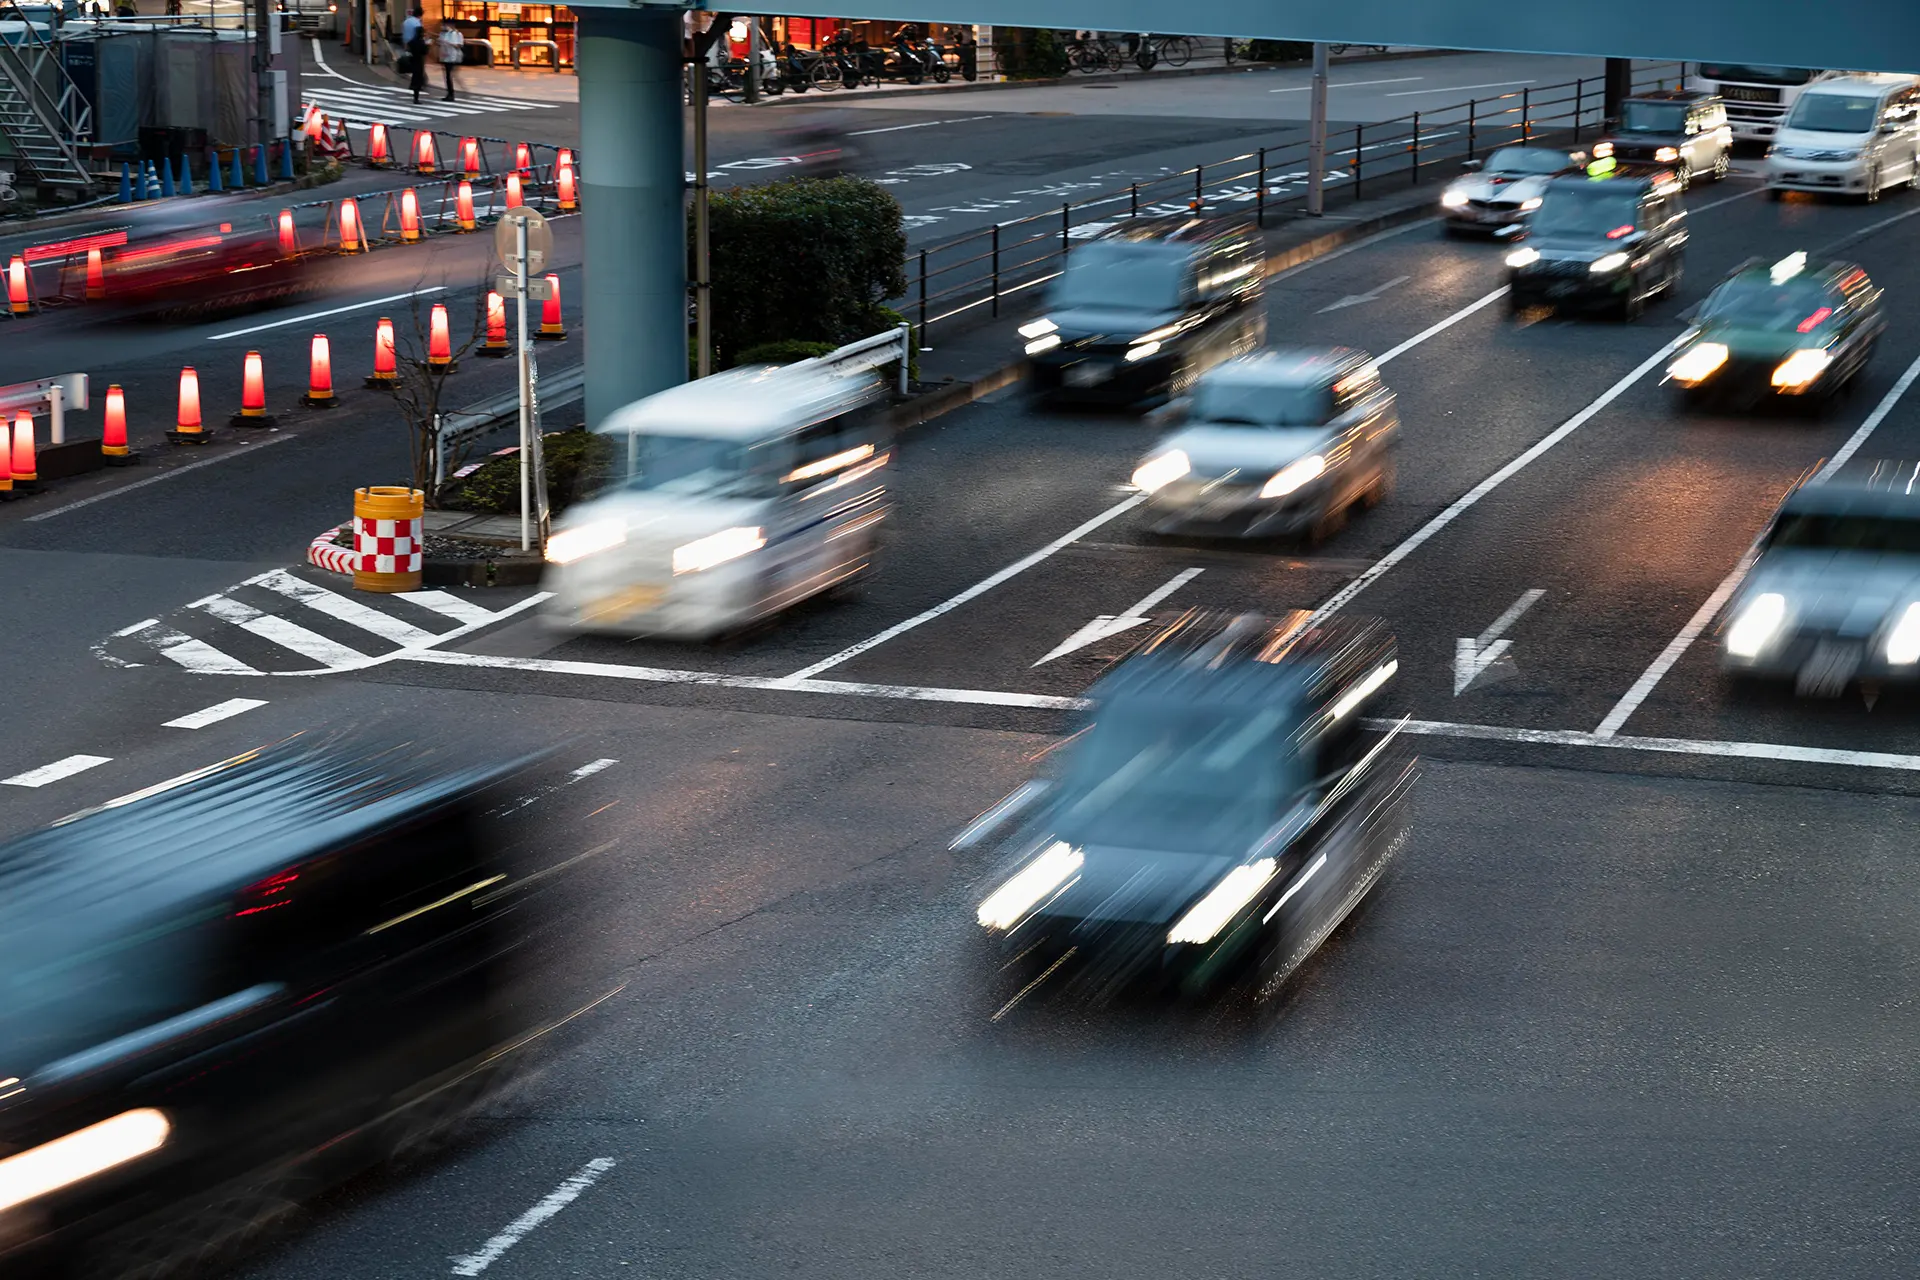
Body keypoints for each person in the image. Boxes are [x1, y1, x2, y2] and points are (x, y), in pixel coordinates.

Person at [403, 7, 428, 103]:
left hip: (408, 46)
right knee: (418, 70)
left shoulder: (406, 22)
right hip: (417, 51)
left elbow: (405, 36)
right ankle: (417, 88)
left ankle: (415, 85)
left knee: (414, 69)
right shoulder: (417, 24)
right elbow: (423, 46)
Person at [437, 22, 465, 101]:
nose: (443, 27)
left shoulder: (458, 34)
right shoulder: (443, 34)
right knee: (447, 76)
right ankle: (449, 93)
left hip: (453, 57)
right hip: (444, 56)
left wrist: (448, 43)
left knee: (450, 76)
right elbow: (440, 44)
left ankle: (451, 94)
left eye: (445, 25)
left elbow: (459, 45)